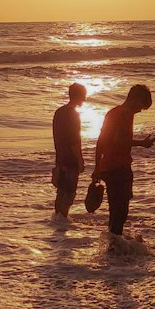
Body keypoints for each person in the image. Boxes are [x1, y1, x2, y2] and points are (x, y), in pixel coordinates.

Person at [92, 84, 155, 236]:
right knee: (121, 210)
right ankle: (114, 245)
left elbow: (100, 141)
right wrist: (141, 143)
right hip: (119, 168)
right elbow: (118, 141)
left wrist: (97, 167)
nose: (140, 110)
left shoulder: (112, 112)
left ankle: (112, 244)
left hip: (107, 167)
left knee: (114, 209)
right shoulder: (125, 114)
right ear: (135, 99)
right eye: (141, 106)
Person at [51, 83, 87, 217]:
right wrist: (80, 160)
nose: (85, 99)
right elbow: (74, 140)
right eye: (84, 95)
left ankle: (57, 220)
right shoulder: (73, 114)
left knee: (60, 192)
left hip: (60, 157)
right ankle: (63, 220)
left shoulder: (59, 112)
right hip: (71, 159)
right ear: (78, 95)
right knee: (69, 193)